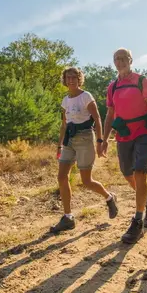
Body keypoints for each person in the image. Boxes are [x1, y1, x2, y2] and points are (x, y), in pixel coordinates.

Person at [101, 48, 147, 244]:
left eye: (124, 58)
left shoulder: (142, 81)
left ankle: (137, 221)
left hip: (143, 131)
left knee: (140, 172)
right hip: (123, 134)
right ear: (114, 62)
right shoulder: (112, 87)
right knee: (127, 173)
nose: (120, 61)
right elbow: (109, 115)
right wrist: (103, 139)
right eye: (117, 59)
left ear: (131, 60)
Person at [50, 67, 118, 233]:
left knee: (86, 181)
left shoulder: (86, 96)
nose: (71, 80)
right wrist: (60, 144)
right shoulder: (65, 100)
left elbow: (97, 118)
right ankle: (68, 217)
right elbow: (64, 124)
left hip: (85, 138)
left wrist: (100, 141)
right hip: (69, 140)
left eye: (74, 77)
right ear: (64, 80)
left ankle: (109, 198)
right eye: (68, 77)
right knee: (61, 177)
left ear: (79, 79)